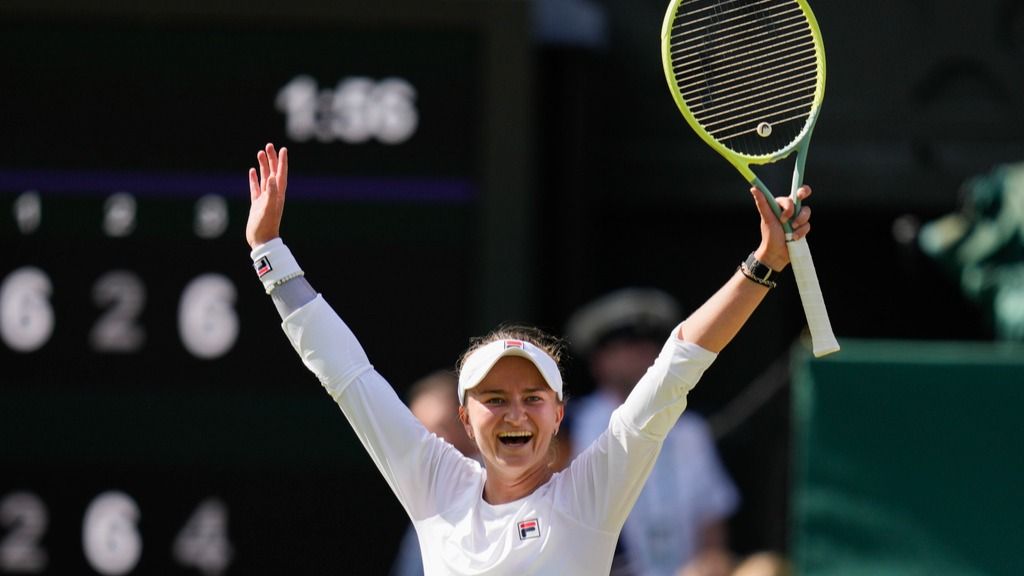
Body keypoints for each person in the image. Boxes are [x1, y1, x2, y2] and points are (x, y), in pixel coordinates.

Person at [245, 143, 814, 575]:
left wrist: (764, 264)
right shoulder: (435, 483)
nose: (516, 413)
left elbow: (678, 363)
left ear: (559, 414)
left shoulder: (589, 495)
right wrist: (269, 252)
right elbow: (348, 376)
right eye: (495, 399)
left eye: (532, 398)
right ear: (465, 420)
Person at [565, 288, 739, 576]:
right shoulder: (571, 423)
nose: (643, 353)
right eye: (628, 344)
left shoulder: (691, 430)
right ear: (599, 360)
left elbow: (712, 519)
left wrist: (710, 563)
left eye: (652, 343)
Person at [391, 370, 480, 576]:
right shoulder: (428, 510)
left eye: (441, 428)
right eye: (422, 434)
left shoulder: (513, 487)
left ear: (468, 421)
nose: (431, 444)